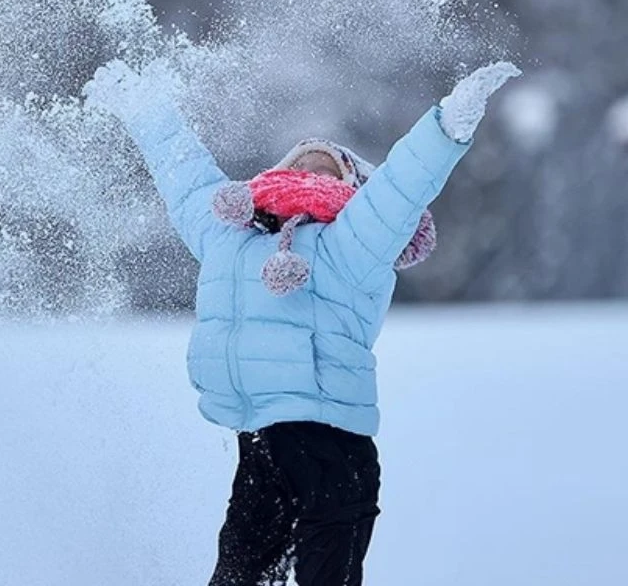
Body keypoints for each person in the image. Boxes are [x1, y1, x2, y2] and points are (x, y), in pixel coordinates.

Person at [83, 56, 519, 586]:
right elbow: (186, 174)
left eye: (327, 168)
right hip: (261, 443)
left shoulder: (354, 242)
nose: (310, 173)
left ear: (354, 186)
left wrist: (448, 125)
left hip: (334, 448)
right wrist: (144, 109)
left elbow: (401, 187)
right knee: (236, 576)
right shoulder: (232, 236)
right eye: (300, 164)